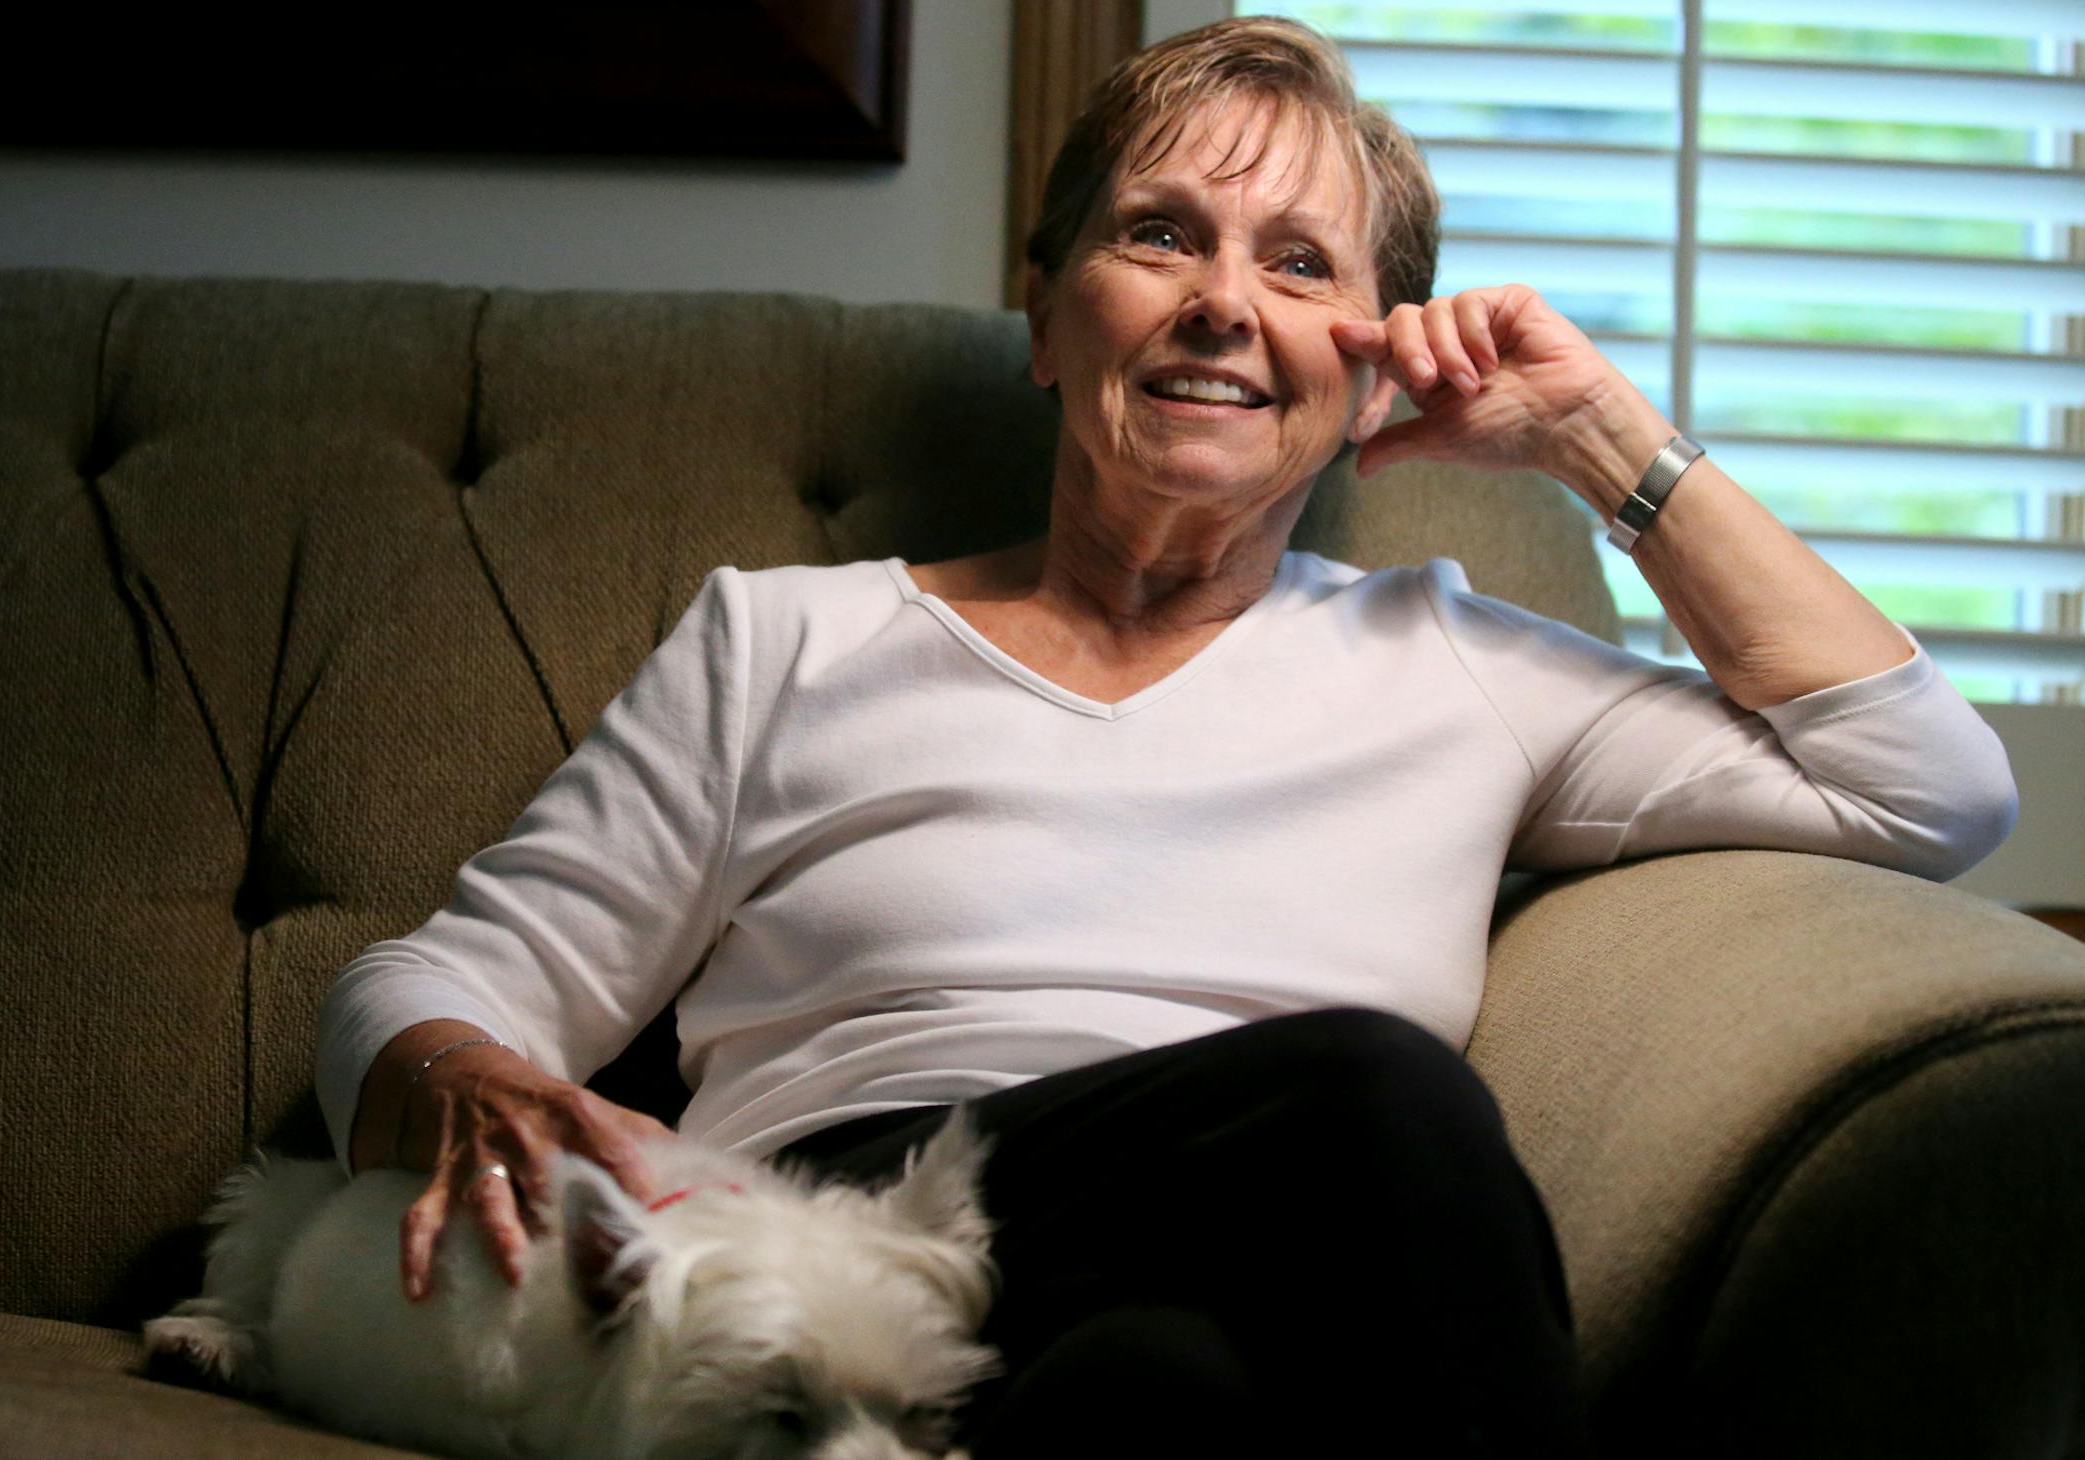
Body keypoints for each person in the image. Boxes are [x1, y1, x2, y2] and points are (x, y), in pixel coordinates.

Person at [313, 16, 2016, 1457]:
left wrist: (1596, 437)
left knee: (1163, 1395)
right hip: (852, 1239)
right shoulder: (787, 637)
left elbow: (1925, 787)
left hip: (1206, 1303)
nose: (1223, 301)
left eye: (1298, 267)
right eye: (1160, 236)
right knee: (1369, 1096)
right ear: (1049, 317)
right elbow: (430, 985)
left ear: (1367, 376)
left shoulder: (1453, 664)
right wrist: (463, 1077)